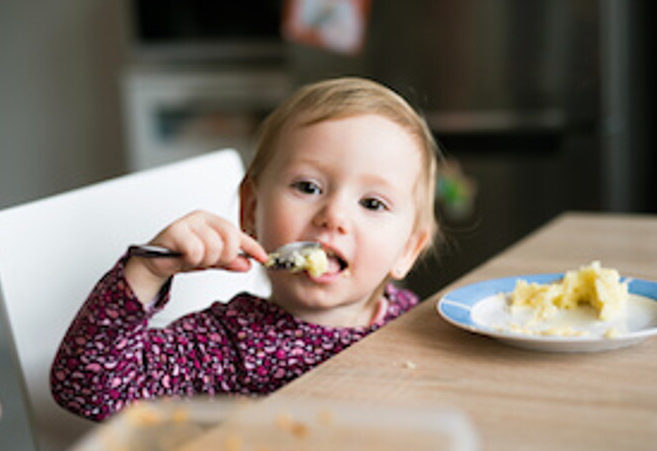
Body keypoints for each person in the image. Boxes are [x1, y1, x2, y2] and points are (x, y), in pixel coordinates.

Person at [50, 77, 441, 421]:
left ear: (407, 249)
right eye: (308, 187)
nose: (334, 216)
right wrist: (147, 271)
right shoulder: (229, 344)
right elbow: (88, 387)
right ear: (251, 210)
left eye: (372, 204)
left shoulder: (410, 320)